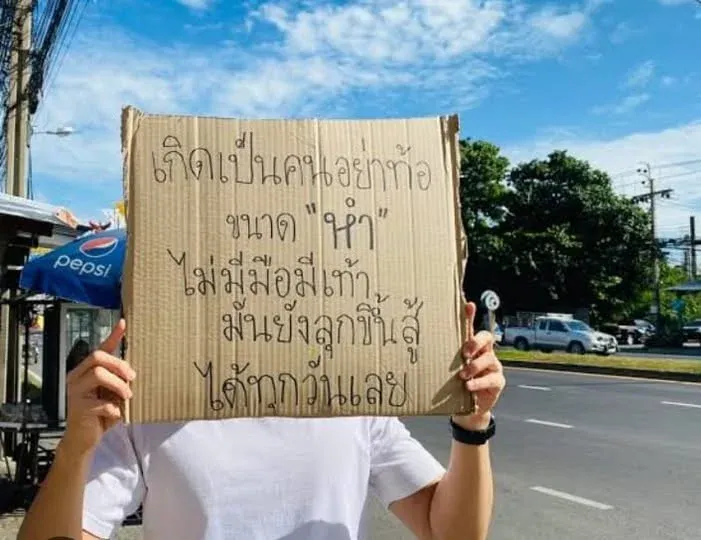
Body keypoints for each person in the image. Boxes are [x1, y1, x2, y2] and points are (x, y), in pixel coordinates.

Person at [18, 302, 505, 540]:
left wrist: (473, 425)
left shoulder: (353, 403)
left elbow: (453, 533)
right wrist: (76, 448)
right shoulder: (148, 408)